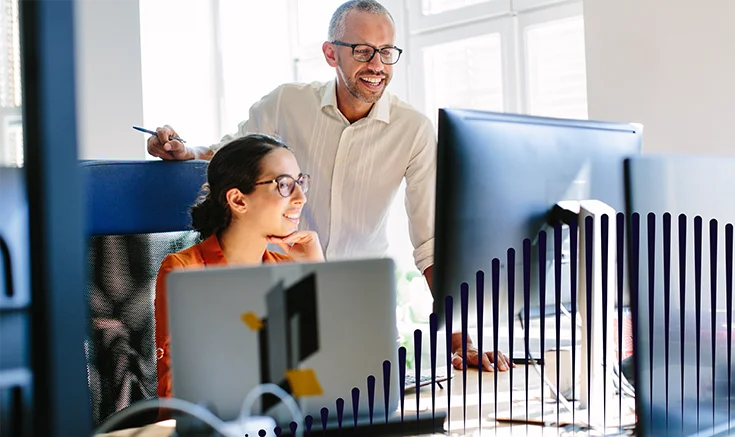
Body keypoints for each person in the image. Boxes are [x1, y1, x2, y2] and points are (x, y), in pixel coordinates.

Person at [147, 0, 512, 374]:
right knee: (286, 388)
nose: (377, 65)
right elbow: (234, 153)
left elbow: (431, 243)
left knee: (343, 404)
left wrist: (461, 337)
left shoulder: (413, 129)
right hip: (276, 294)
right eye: (363, 51)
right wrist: (185, 150)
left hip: (351, 309)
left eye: (387, 52)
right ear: (330, 54)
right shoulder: (287, 103)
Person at [154, 134, 324, 398]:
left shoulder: (286, 268)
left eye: (301, 183)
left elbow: (317, 379)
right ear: (238, 200)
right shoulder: (185, 271)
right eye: (285, 185)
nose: (301, 197)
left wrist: (315, 273)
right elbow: (179, 395)